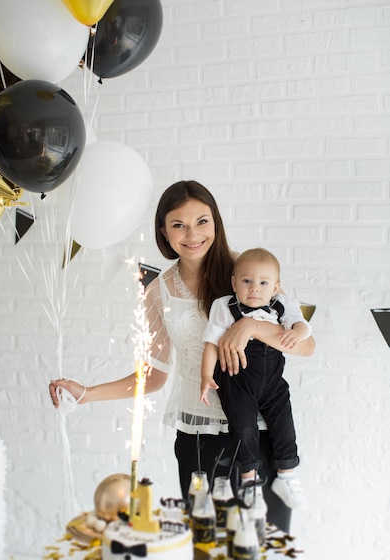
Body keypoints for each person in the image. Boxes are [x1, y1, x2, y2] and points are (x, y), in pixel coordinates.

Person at [49, 181, 315, 532]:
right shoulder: (159, 292)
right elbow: (155, 375)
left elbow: (306, 345)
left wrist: (251, 326)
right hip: (199, 437)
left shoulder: (249, 274)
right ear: (164, 231)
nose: (193, 234)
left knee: (266, 549)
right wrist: (88, 393)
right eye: (179, 225)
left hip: (260, 431)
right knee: (209, 550)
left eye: (202, 221)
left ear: (215, 223)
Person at [200, 247, 312, 510]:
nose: (254, 288)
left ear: (275, 286)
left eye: (263, 283)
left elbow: (304, 327)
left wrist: (298, 332)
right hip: (237, 382)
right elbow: (211, 344)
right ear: (234, 282)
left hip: (273, 382)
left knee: (284, 425)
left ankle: (285, 475)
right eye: (247, 281)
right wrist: (206, 375)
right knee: (244, 429)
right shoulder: (224, 306)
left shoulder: (281, 306)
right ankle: (250, 482)